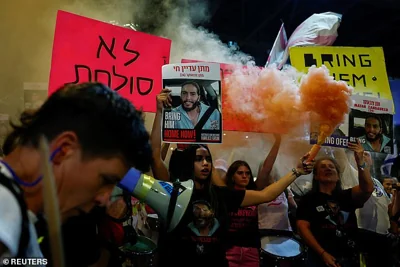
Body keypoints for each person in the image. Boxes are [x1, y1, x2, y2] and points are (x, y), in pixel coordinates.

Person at [151, 89, 315, 267]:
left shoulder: (220, 195)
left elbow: (266, 195)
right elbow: (154, 154)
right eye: (198, 159)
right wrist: (160, 112)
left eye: (208, 159)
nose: (206, 163)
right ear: (187, 163)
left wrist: (297, 171)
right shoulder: (174, 192)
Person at [0, 82, 152, 265]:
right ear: (64, 149)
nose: (105, 199)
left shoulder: (23, 214)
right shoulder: (4, 204)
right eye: (106, 180)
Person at [296, 139, 374, 267]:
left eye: (332, 167)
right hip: (318, 259)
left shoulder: (346, 196)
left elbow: (368, 189)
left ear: (338, 176)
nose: (328, 169)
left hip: (348, 258)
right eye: (323, 167)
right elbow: (303, 228)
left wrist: (361, 162)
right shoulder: (308, 199)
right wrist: (322, 253)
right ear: (315, 176)